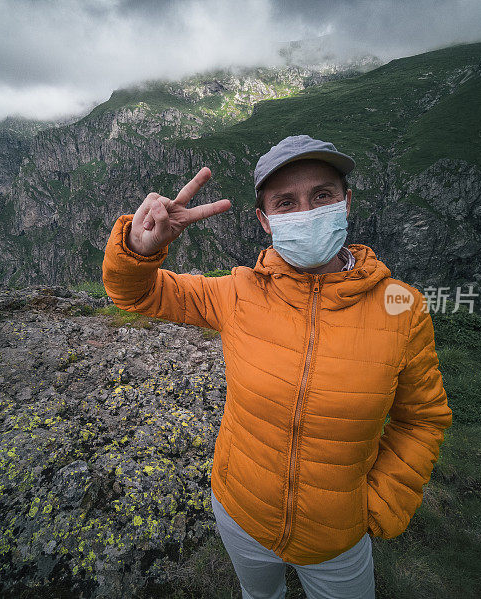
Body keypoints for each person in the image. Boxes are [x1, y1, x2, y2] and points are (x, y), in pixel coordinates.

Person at [101, 134, 452, 599]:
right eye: (286, 203)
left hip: (338, 536)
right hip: (240, 511)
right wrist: (139, 249)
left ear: (346, 203)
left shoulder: (401, 308)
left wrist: (382, 502)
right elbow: (137, 294)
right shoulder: (237, 293)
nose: (306, 211)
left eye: (321, 196)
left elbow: (421, 418)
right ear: (266, 222)